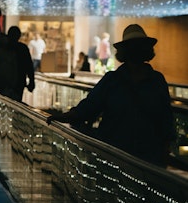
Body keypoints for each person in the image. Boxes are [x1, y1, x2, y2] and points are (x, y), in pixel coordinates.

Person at [47, 24, 175, 166]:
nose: (136, 50)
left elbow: (90, 106)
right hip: (143, 155)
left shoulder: (114, 80)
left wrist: (67, 116)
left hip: (118, 152)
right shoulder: (155, 80)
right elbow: (166, 118)